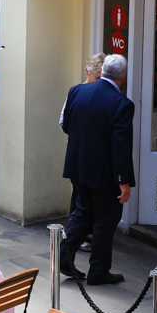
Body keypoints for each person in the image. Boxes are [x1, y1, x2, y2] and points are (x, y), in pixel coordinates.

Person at [59, 53, 135, 285]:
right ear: (122, 78)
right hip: (104, 174)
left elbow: (68, 126)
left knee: (83, 212)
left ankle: (63, 259)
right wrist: (124, 181)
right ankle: (99, 271)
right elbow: (120, 147)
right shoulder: (121, 104)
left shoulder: (77, 91)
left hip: (78, 168)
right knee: (105, 220)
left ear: (102, 72)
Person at [59, 53, 105, 253]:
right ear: (88, 72)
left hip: (92, 155)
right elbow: (63, 122)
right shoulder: (77, 92)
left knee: (89, 199)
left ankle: (87, 235)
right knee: (79, 199)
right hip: (79, 154)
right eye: (96, 78)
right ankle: (78, 237)